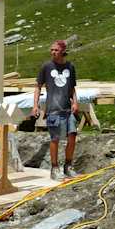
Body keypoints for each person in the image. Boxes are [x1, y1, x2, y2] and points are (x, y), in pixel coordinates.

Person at [31, 40, 79, 181]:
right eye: (51, 50)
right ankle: (54, 168)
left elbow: (72, 88)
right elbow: (38, 86)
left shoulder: (70, 67)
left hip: (67, 109)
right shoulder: (46, 66)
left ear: (63, 51)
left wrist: (75, 102)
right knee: (55, 139)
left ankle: (68, 166)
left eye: (56, 50)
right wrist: (36, 105)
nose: (53, 52)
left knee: (72, 136)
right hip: (53, 109)